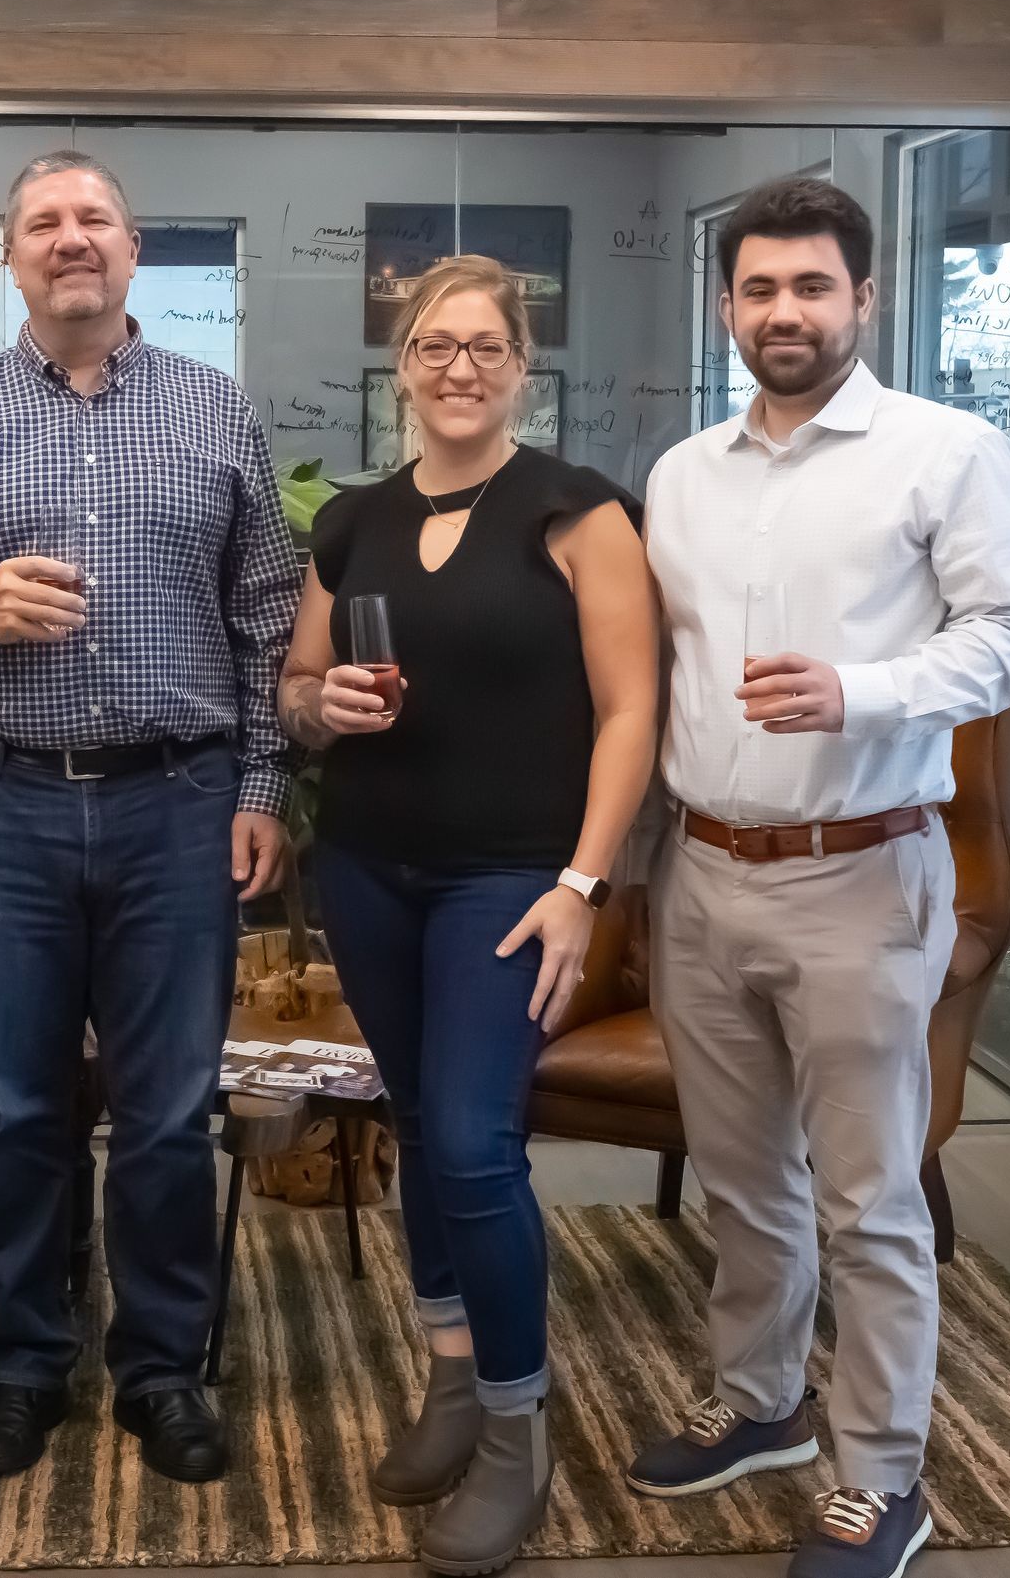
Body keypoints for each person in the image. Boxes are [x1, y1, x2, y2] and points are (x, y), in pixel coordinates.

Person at [629, 177, 1010, 1578]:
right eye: (759, 289)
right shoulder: (684, 474)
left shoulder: (946, 450)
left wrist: (862, 690)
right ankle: (761, 1405)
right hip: (701, 876)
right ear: (728, 304)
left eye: (812, 286)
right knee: (744, 1184)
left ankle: (884, 1474)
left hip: (864, 874)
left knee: (868, 1200)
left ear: (864, 299)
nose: (785, 311)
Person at [0, 151, 299, 1485]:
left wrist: (263, 788)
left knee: (168, 1115)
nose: (70, 240)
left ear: (132, 248)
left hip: (178, 806)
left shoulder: (219, 413)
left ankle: (162, 1371)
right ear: (12, 259)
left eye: (92, 219)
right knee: (12, 1108)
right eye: (43, 223)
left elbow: (265, 619)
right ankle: (24, 1365)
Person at [279, 255, 659, 1576]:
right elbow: (296, 685)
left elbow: (632, 712)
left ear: (519, 364)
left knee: (478, 1146)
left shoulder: (576, 510)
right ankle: (450, 1375)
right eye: (435, 344)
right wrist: (320, 708)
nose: (459, 366)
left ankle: (515, 1426)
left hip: (514, 880)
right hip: (371, 866)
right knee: (420, 1124)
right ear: (404, 362)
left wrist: (581, 885)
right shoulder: (355, 521)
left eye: (485, 346)